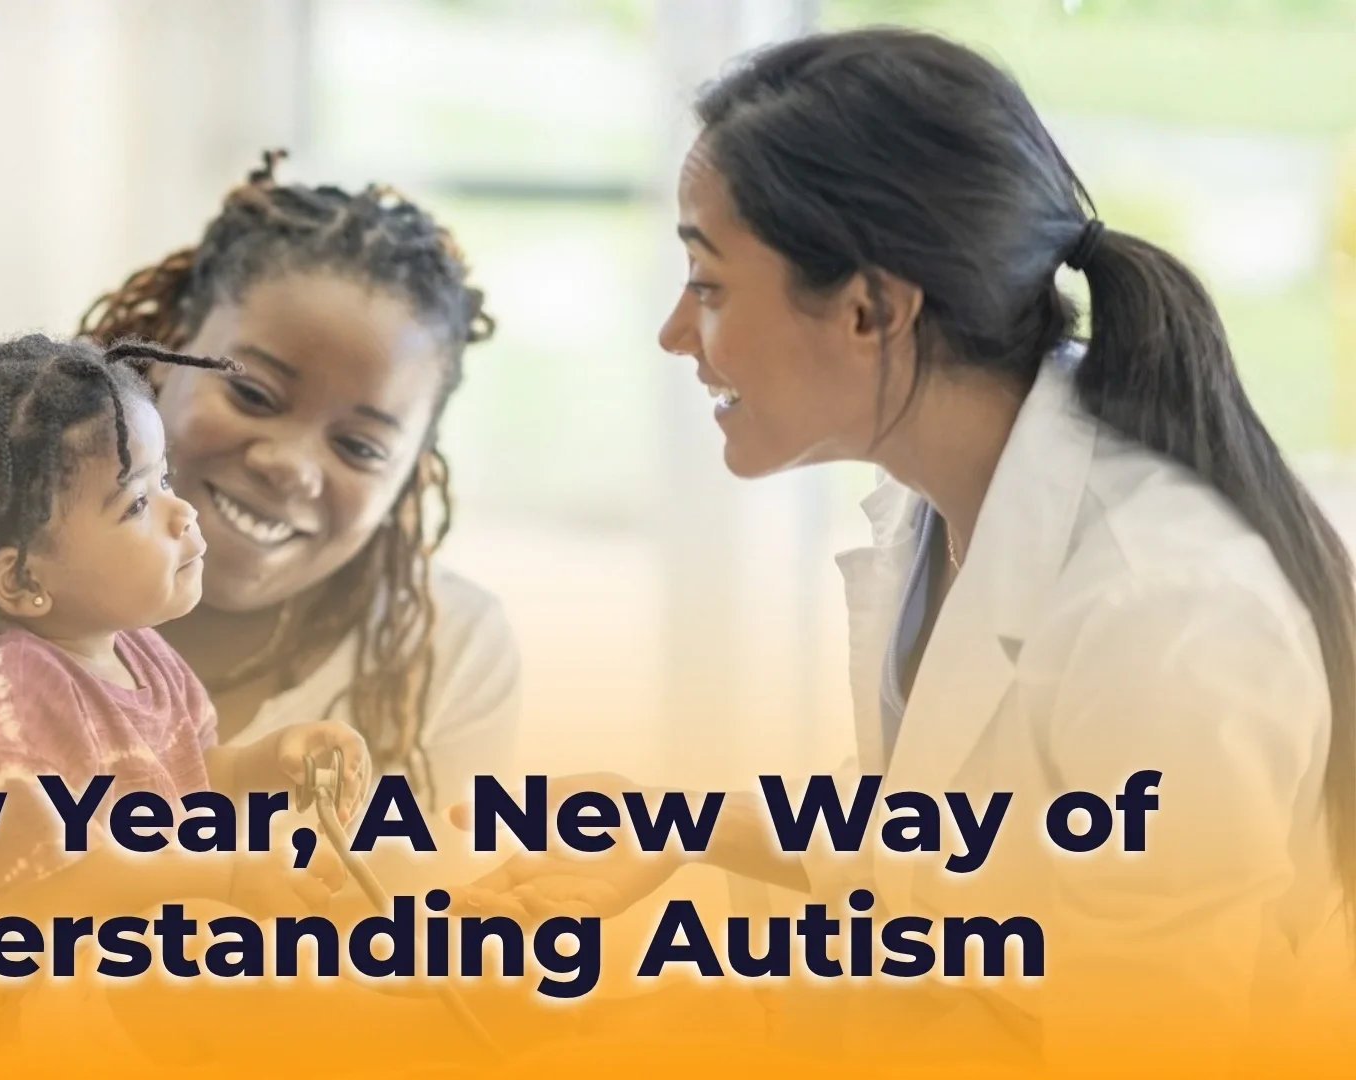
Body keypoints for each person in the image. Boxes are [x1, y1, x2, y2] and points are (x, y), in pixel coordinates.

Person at [456, 27, 1353, 1071]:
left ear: (872, 309)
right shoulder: (942, 504)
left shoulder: (1165, 614)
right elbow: (969, 840)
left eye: (707, 285)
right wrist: (681, 826)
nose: (673, 332)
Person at [0, 153, 520, 1056]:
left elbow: (192, 788)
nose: (289, 462)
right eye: (251, 391)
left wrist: (274, 767)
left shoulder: (172, 656)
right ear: (165, 358)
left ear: (415, 477)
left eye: (361, 445)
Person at [0, 332, 370, 917]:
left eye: (164, 480)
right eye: (135, 504)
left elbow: (192, 788)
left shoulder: (140, 653)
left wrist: (271, 764)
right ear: (26, 582)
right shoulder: (6, 690)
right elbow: (42, 891)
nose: (181, 512)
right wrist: (227, 881)